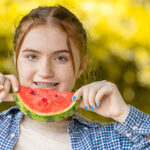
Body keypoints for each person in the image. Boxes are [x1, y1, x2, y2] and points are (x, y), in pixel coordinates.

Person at [0, 5, 149, 150]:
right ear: (16, 60)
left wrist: (123, 113)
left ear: (81, 66)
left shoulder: (106, 140)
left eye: (60, 58)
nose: (45, 72)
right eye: (32, 56)